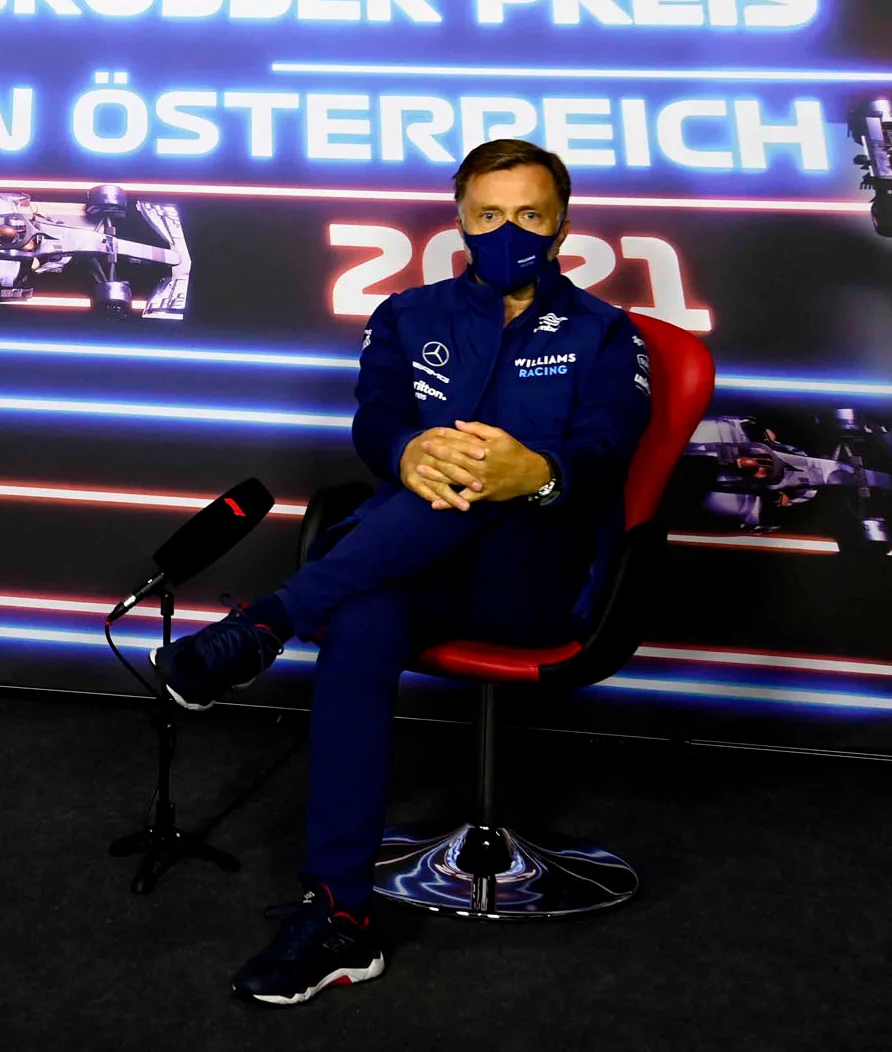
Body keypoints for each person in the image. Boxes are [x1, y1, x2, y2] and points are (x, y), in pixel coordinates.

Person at [152, 140, 651, 1005]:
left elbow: (608, 452)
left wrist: (531, 472)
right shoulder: (407, 315)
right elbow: (374, 419)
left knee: (479, 471)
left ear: (562, 222)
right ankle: (340, 917)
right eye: (490, 215)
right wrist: (408, 448)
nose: (509, 232)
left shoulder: (609, 333)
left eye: (529, 216)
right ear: (460, 216)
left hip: (531, 578)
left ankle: (266, 621)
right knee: (365, 618)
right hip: (410, 571)